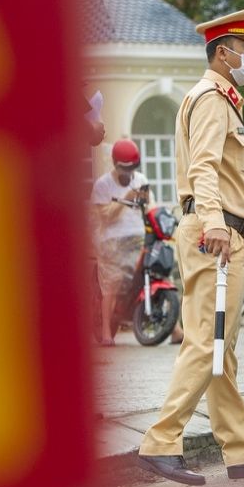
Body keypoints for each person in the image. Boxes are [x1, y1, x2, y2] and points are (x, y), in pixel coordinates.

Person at [137, 2, 244, 485]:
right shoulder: (209, 98)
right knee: (207, 343)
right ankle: (161, 441)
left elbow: (223, 171)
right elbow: (201, 168)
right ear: (223, 53)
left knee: (223, 348)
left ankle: (239, 452)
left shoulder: (223, 101)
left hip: (226, 233)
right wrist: (217, 223)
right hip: (214, 237)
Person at [91, 139, 148, 346]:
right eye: (125, 168)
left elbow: (148, 206)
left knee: (152, 272)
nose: (129, 173)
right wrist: (126, 197)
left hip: (138, 237)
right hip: (112, 240)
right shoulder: (103, 185)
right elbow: (105, 217)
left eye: (133, 168)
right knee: (111, 285)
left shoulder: (140, 179)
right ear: (115, 164)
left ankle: (173, 329)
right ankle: (106, 331)